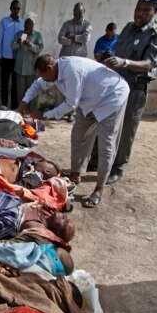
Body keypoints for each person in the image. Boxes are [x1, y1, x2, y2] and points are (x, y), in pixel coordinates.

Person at [18, 55, 128, 208]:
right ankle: (76, 174)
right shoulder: (54, 71)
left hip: (111, 98)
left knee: (106, 146)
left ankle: (99, 189)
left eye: (44, 75)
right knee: (78, 137)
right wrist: (24, 101)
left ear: (49, 68)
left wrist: (43, 115)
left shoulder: (71, 72)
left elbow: (71, 104)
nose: (45, 79)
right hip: (88, 100)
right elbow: (38, 85)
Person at [89, 0, 157, 184]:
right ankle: (96, 159)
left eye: (145, 10)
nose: (139, 13)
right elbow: (118, 51)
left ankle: (117, 166)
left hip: (135, 88)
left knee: (126, 129)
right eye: (138, 8)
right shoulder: (128, 28)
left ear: (154, 12)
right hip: (116, 85)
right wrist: (107, 57)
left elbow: (149, 63)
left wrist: (124, 62)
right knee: (104, 120)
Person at [57, 2, 92, 123]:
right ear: (73, 12)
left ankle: (72, 113)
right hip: (65, 60)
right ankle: (62, 111)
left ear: (84, 12)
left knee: (76, 87)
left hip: (79, 62)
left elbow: (86, 38)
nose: (77, 15)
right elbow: (60, 39)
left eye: (79, 13)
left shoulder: (87, 24)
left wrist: (72, 37)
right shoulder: (66, 24)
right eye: (75, 13)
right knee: (62, 85)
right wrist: (77, 39)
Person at [0, 0, 24, 109]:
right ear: (10, 8)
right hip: (6, 57)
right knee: (4, 82)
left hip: (17, 57)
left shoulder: (23, 22)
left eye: (18, 8)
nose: (16, 10)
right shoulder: (4, 21)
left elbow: (24, 37)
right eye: (14, 8)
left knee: (15, 84)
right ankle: (4, 104)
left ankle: (13, 106)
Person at [11, 18, 43, 111]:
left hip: (31, 69)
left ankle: (31, 112)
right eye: (25, 26)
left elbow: (39, 49)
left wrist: (30, 45)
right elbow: (13, 47)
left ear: (32, 27)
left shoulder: (37, 35)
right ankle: (21, 110)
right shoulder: (20, 34)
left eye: (28, 27)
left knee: (32, 91)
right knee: (20, 93)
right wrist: (17, 43)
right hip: (19, 68)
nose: (26, 29)